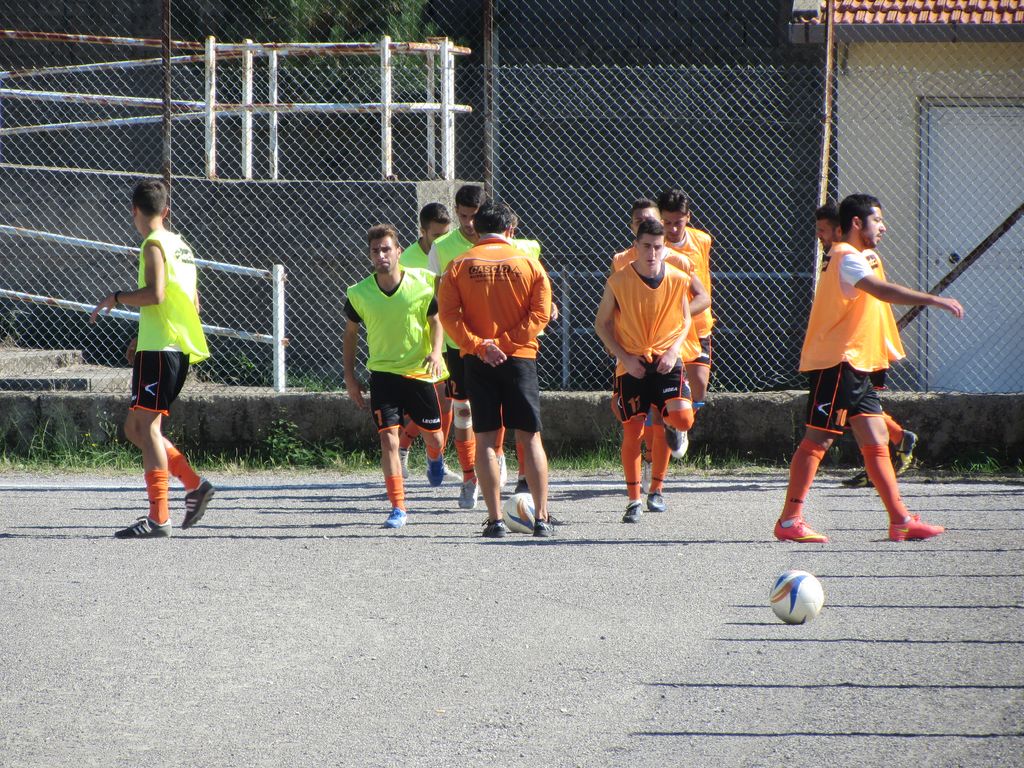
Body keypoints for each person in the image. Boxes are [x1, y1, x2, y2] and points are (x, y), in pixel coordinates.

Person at [775, 194, 963, 544]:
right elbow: (882, 291)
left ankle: (900, 521)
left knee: (877, 441)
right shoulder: (846, 257)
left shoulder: (856, 256)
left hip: (856, 366)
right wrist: (933, 298)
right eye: (877, 220)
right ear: (857, 223)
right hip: (837, 363)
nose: (883, 227)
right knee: (818, 440)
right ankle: (789, 520)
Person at [90, 178, 213, 538]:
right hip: (169, 347)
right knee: (135, 429)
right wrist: (141, 336)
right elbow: (190, 303)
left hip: (161, 351)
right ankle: (194, 484)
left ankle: (159, 517)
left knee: (148, 429)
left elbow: (156, 294)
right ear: (166, 210)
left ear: (134, 211)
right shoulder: (182, 247)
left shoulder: (153, 244)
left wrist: (117, 297)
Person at [437, 200, 554, 538]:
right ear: (510, 230)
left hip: (478, 361)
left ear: (475, 229)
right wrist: (504, 343)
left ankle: (495, 520)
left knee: (486, 439)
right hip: (520, 357)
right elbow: (540, 314)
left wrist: (480, 346)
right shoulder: (528, 263)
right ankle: (542, 518)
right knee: (530, 437)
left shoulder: (459, 264)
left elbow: (448, 316)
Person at [344, 224, 447, 530]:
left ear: (399, 252)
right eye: (375, 251)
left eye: (386, 249)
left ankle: (435, 457)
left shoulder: (422, 283)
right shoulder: (358, 293)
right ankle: (398, 507)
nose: (381, 255)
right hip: (383, 375)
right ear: (369, 255)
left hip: (418, 371)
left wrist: (436, 352)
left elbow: (436, 320)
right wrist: (350, 376)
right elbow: (351, 334)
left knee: (435, 437)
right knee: (389, 439)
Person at [596, 218, 697, 523]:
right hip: (633, 361)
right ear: (636, 246)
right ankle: (634, 499)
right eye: (646, 246)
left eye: (657, 247)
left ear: (664, 248)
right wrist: (625, 358)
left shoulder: (678, 278)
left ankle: (658, 488)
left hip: (667, 358)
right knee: (634, 429)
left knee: (682, 418)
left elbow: (685, 320)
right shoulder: (618, 281)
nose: (652, 253)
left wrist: (673, 350)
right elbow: (601, 325)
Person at [815, 202, 919, 488]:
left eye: (823, 230)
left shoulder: (859, 256)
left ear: (840, 229)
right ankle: (893, 445)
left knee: (854, 409)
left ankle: (891, 447)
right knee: (858, 409)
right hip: (855, 347)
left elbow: (875, 296)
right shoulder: (841, 256)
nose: (820, 236)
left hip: (863, 346)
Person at [611, 198, 710, 494]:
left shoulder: (678, 261)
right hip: (634, 346)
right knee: (632, 419)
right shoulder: (622, 261)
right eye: (639, 222)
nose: (645, 224)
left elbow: (702, 298)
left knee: (672, 410)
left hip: (672, 343)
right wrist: (617, 346)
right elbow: (613, 307)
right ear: (632, 228)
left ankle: (659, 470)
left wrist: (676, 316)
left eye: (651, 220)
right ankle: (644, 479)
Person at [428, 184, 494, 509]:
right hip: (458, 344)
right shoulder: (441, 248)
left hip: (493, 342)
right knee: (464, 411)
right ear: (455, 212)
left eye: (474, 216)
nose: (468, 223)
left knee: (494, 410)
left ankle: (493, 460)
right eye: (463, 216)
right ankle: (470, 478)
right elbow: (435, 300)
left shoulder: (498, 243)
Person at [397, 203, 453, 479]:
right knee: (428, 404)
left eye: (445, 234)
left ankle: (436, 458)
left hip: (451, 337)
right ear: (422, 231)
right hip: (421, 342)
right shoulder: (406, 260)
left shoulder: (451, 250)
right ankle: (403, 448)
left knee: (449, 403)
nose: (441, 241)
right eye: (436, 236)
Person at [657, 189, 714, 461]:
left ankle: (678, 423)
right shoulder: (654, 247)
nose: (672, 228)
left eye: (677, 222)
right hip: (669, 330)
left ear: (688, 217)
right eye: (667, 222)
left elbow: (702, 283)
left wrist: (686, 313)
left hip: (698, 324)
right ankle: (672, 422)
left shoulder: (702, 240)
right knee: (671, 385)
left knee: (699, 387)